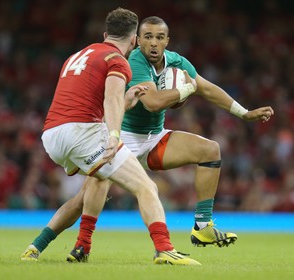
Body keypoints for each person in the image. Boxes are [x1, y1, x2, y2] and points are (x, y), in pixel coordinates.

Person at [21, 16, 274, 262]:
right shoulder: (133, 60)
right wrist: (184, 90)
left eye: (159, 37)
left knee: (210, 150)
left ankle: (202, 226)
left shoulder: (175, 61)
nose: (153, 42)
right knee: (87, 195)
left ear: (167, 41)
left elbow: (205, 87)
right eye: (148, 37)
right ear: (137, 40)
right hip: (124, 137)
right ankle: (75, 244)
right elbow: (153, 103)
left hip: (154, 137)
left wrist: (244, 112)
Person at [21, 9, 201, 266]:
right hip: (82, 133)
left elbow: (88, 100)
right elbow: (111, 97)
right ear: (134, 41)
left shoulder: (78, 55)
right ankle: (165, 249)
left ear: (106, 34)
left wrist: (126, 102)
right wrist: (114, 135)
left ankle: (40, 246)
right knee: (146, 187)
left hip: (52, 135)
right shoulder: (117, 60)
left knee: (93, 186)